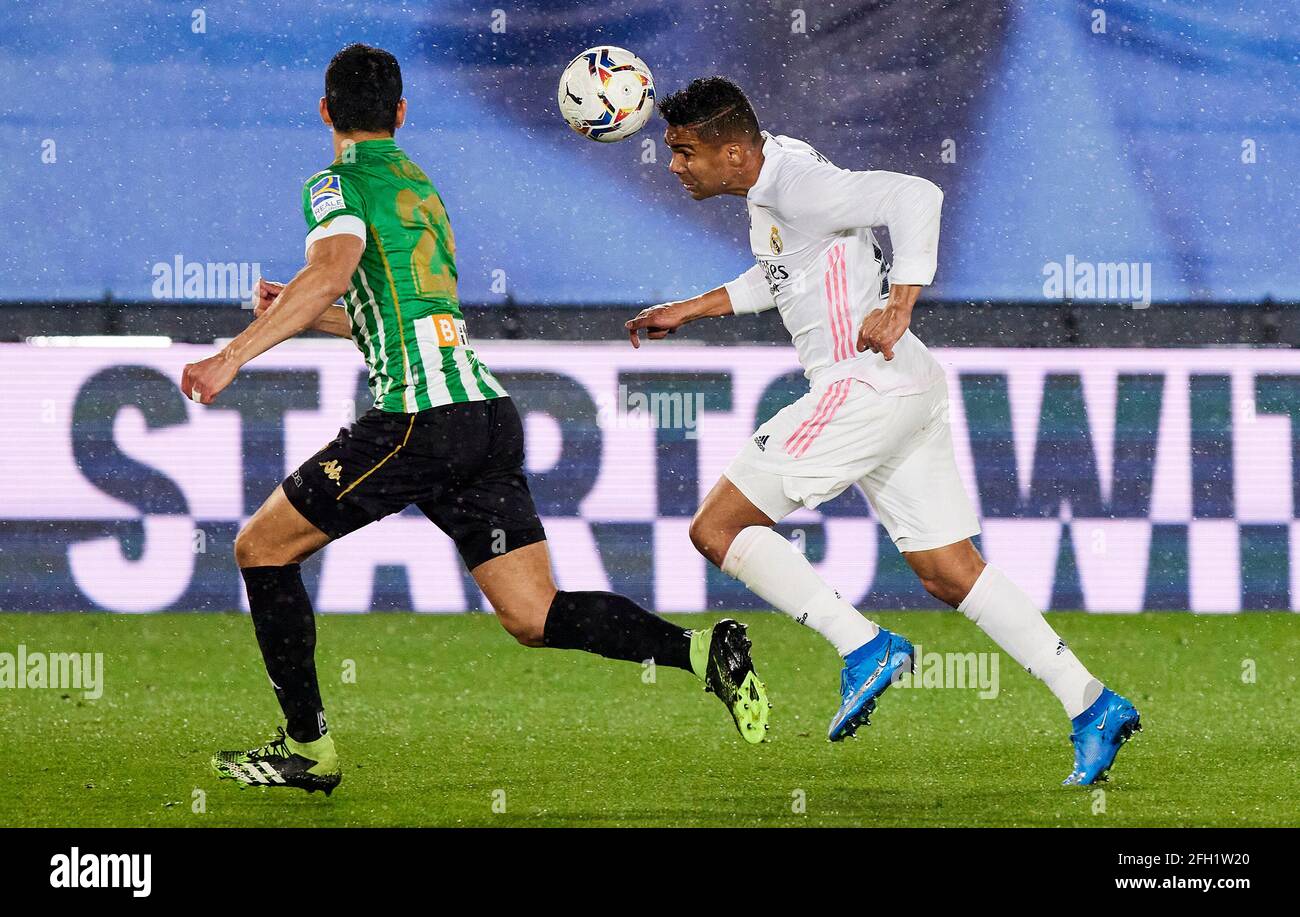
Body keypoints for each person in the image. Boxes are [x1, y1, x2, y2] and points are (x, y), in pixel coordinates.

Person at [181, 48, 769, 794]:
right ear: (399, 114)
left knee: (261, 547)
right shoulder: (419, 186)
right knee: (533, 612)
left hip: (415, 420)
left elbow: (331, 268)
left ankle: (307, 748)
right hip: (483, 417)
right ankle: (701, 650)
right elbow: (399, 316)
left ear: (326, 112)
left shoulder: (335, 182)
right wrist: (308, 313)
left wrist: (232, 355)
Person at [624, 77, 1138, 785]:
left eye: (683, 152)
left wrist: (899, 304)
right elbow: (783, 273)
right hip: (906, 386)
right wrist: (691, 308)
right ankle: (1093, 703)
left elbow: (915, 196)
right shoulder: (775, 180)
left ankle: (863, 645)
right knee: (949, 571)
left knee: (717, 527)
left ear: (735, 151)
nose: (674, 166)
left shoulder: (796, 181)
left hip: (860, 383)